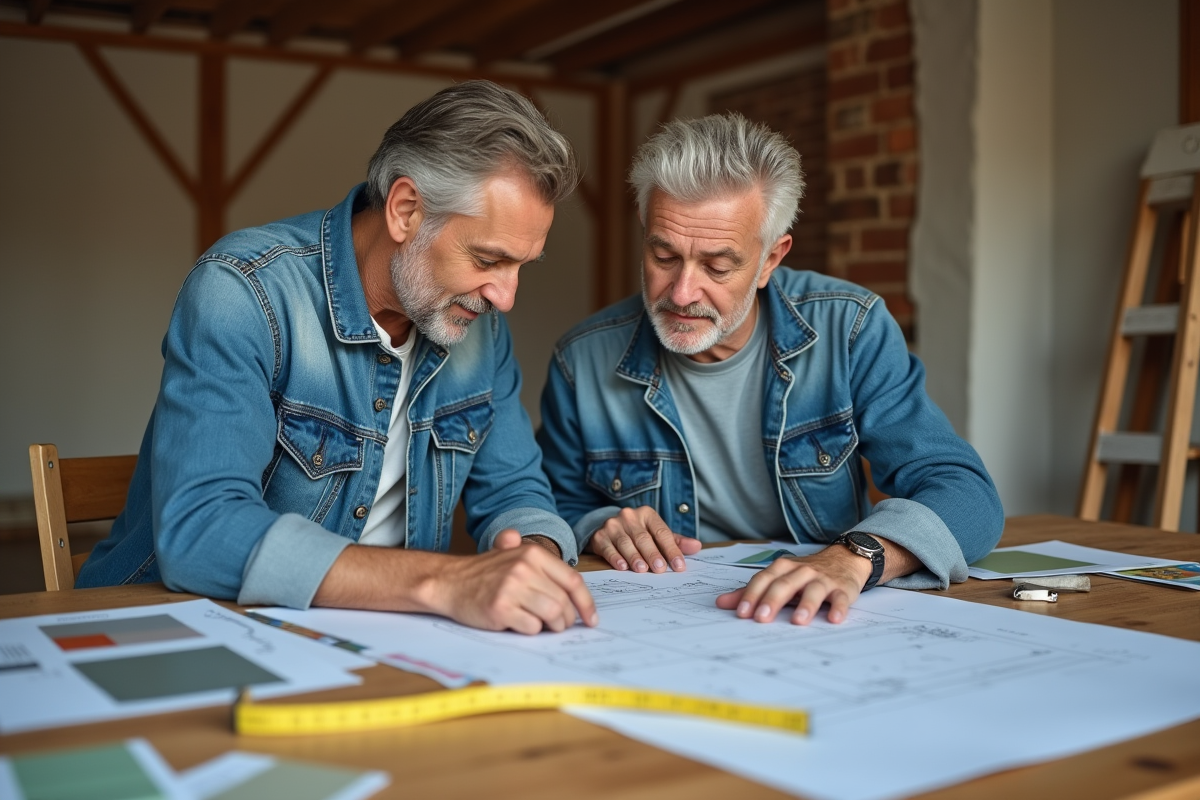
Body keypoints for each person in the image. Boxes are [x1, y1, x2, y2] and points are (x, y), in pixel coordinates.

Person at [78, 80, 597, 635]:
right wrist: (441, 583)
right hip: (177, 631)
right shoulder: (243, 293)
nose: (506, 297)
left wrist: (535, 550)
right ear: (405, 210)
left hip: (380, 637)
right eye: (488, 258)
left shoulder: (481, 331)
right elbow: (203, 530)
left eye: (522, 266)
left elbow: (517, 491)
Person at [537, 113, 1002, 627]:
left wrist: (855, 558)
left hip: (810, 622)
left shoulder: (850, 329)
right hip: (660, 621)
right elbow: (551, 503)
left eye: (717, 267)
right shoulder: (581, 359)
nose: (682, 292)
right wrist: (600, 522)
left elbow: (964, 493)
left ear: (769, 260)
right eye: (663, 254)